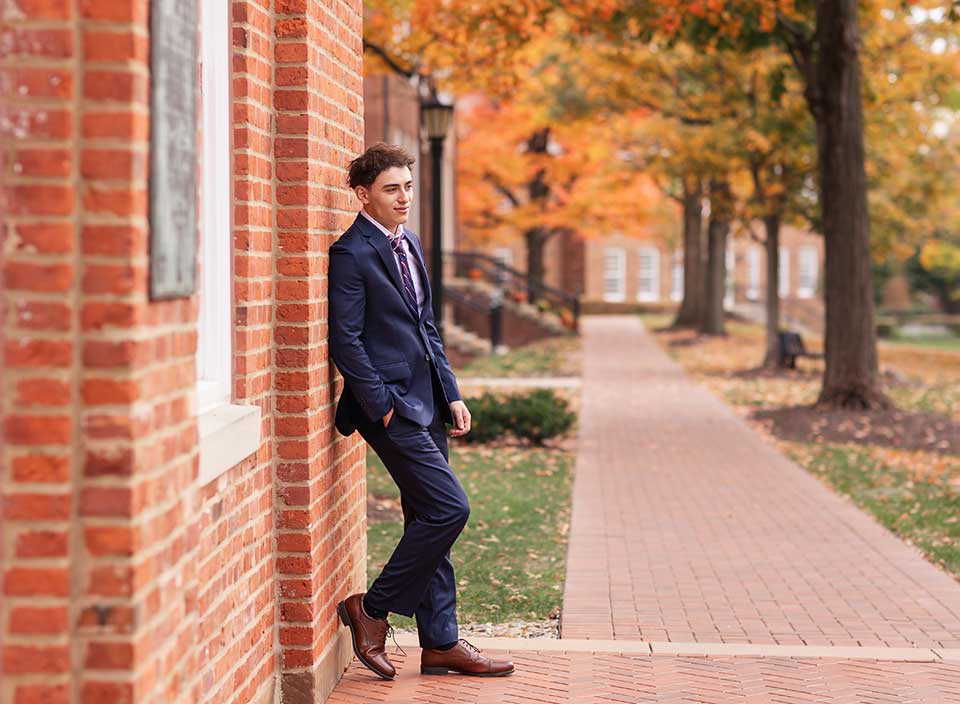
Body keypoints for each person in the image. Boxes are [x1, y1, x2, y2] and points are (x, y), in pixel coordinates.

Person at [328, 143, 514, 680]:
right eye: (391, 189)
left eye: (408, 186)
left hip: (428, 399)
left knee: (427, 516)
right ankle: (372, 610)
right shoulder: (351, 253)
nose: (404, 197)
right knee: (449, 509)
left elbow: (426, 325)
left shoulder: (409, 242)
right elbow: (347, 340)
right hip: (389, 407)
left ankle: (440, 643)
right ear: (363, 195)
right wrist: (381, 407)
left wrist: (451, 391)